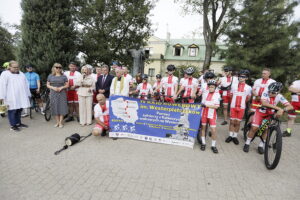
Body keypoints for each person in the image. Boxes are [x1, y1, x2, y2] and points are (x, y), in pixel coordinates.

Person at [243, 82, 293, 154]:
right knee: (254, 128)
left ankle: (261, 145)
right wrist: (279, 108)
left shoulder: (279, 96)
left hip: (269, 115)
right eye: (269, 91)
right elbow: (264, 103)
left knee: (266, 130)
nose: (270, 93)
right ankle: (247, 143)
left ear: (278, 92)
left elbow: (290, 106)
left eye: (272, 92)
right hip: (260, 113)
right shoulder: (265, 92)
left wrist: (283, 110)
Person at [0, 61, 31, 131]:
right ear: (9, 67)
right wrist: (1, 97)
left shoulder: (21, 74)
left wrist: (28, 94)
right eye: (14, 67)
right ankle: (13, 126)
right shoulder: (5, 74)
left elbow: (26, 84)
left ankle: (18, 123)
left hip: (20, 96)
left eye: (17, 67)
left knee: (19, 109)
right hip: (10, 97)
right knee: (12, 110)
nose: (16, 68)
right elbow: (2, 86)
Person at [225, 70, 252, 145]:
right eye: (240, 76)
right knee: (232, 122)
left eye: (243, 77)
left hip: (242, 107)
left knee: (238, 122)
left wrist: (242, 103)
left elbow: (248, 98)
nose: (241, 78)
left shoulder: (249, 87)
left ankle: (235, 136)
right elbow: (230, 96)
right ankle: (230, 135)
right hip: (233, 106)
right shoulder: (233, 85)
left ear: (246, 78)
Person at [200, 80, 221, 153]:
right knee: (203, 128)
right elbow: (202, 104)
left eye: (212, 87)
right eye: (209, 87)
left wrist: (206, 105)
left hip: (212, 114)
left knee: (213, 131)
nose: (211, 88)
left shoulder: (217, 95)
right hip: (204, 114)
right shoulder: (205, 94)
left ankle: (213, 145)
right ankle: (203, 143)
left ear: (215, 88)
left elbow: (216, 107)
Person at [47, 63, 69, 128]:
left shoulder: (64, 76)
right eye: (57, 67)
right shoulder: (50, 76)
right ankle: (57, 122)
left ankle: (60, 122)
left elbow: (67, 85)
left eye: (60, 67)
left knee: (62, 106)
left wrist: (61, 87)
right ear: (54, 68)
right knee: (54, 106)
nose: (58, 69)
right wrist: (53, 88)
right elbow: (47, 85)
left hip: (62, 93)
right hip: (53, 93)